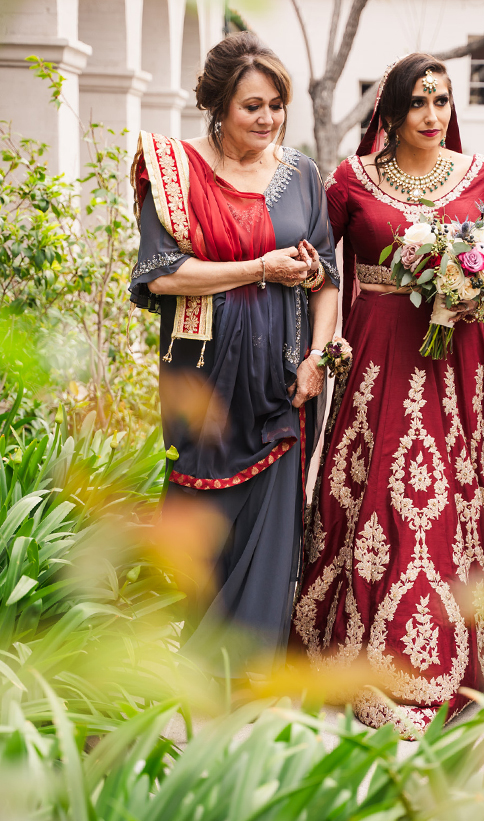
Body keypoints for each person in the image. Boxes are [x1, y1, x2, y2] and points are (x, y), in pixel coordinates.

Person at [297, 53, 484, 738]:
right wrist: (319, 346)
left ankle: (457, 651)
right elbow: (320, 268)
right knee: (384, 486)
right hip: (379, 352)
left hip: (454, 355)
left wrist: (475, 283)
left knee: (449, 494)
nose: (434, 116)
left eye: (443, 102)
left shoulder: (478, 173)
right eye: (420, 103)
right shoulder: (352, 179)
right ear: (391, 112)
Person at [130, 32, 337, 679]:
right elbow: (161, 275)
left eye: (277, 104)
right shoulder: (175, 172)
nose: (268, 118)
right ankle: (194, 700)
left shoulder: (300, 174)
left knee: (270, 560)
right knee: (202, 554)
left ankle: (252, 713)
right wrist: (258, 267)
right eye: (253, 106)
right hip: (205, 391)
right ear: (219, 106)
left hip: (283, 389)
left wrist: (319, 357)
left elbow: (327, 276)